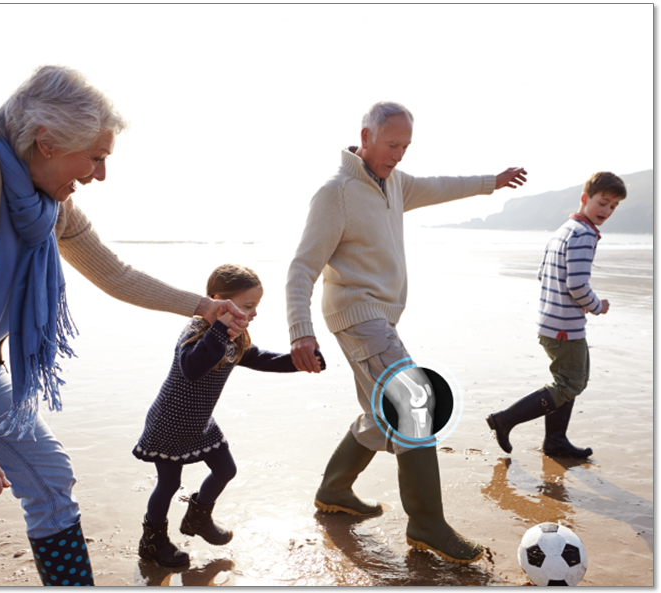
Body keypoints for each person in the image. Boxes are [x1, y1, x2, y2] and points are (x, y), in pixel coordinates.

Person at [0, 65, 247, 586]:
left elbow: (114, 273)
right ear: (47, 142)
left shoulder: (49, 204)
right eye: (96, 157)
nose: (101, 174)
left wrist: (203, 306)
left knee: (50, 480)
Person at [286, 100, 527, 565]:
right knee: (414, 401)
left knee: (384, 413)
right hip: (358, 315)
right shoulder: (335, 193)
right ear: (366, 136)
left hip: (378, 318)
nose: (398, 154)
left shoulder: (394, 183)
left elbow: (439, 186)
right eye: (392, 144)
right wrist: (301, 332)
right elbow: (301, 267)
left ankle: (334, 490)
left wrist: (489, 184)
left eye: (406, 146)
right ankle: (427, 524)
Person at [133, 263, 325, 567]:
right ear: (219, 300)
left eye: (256, 306)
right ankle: (153, 541)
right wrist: (220, 328)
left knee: (226, 470)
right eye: (249, 306)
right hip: (170, 422)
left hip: (200, 422)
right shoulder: (197, 329)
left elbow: (258, 358)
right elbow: (192, 368)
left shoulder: (236, 337)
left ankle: (198, 517)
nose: (254, 313)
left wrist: (298, 361)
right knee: (168, 485)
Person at [486, 172, 626, 459]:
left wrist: (574, 300)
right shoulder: (584, 234)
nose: (607, 211)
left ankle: (555, 440)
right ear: (585, 198)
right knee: (571, 382)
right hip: (565, 327)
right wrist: (597, 305)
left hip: (550, 321)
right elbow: (576, 284)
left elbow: (544, 274)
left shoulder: (564, 229)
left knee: (570, 379)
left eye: (613, 206)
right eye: (603, 202)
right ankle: (505, 420)